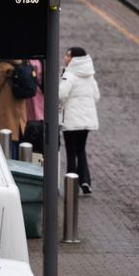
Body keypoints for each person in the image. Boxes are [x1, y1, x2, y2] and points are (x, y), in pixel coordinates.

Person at [59, 47, 100, 193]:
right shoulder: (89, 75)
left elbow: (61, 94)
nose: (65, 57)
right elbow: (96, 96)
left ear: (74, 58)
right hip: (86, 120)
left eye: (68, 55)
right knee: (81, 150)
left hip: (71, 120)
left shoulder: (69, 74)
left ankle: (71, 184)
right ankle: (85, 181)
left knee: (71, 152)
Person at [0, 60, 27, 158]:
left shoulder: (3, 65)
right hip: (20, 106)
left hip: (6, 103)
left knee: (7, 136)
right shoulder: (22, 62)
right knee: (18, 135)